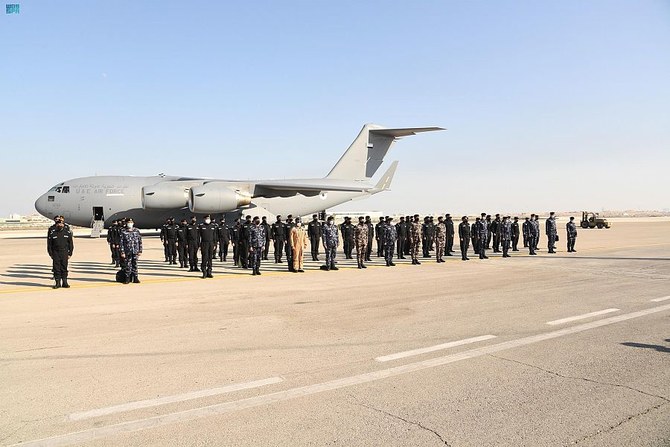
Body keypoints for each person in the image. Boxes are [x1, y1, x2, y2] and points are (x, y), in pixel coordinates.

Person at [47, 216, 74, 288]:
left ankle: (65, 282)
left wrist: (70, 253)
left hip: (64, 252)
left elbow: (71, 244)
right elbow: (49, 244)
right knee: (56, 268)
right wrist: (51, 254)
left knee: (64, 267)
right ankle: (57, 283)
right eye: (58, 224)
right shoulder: (53, 233)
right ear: (56, 225)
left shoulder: (67, 233)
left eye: (61, 224)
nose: (60, 225)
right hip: (56, 253)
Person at [119, 218, 142, 283]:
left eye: (131, 222)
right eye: (129, 222)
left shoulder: (136, 230)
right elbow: (121, 243)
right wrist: (122, 252)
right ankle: (127, 278)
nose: (130, 223)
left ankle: (135, 278)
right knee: (127, 265)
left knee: (135, 264)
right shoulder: (123, 231)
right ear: (126, 223)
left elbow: (140, 241)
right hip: (127, 251)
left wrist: (140, 250)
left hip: (135, 250)